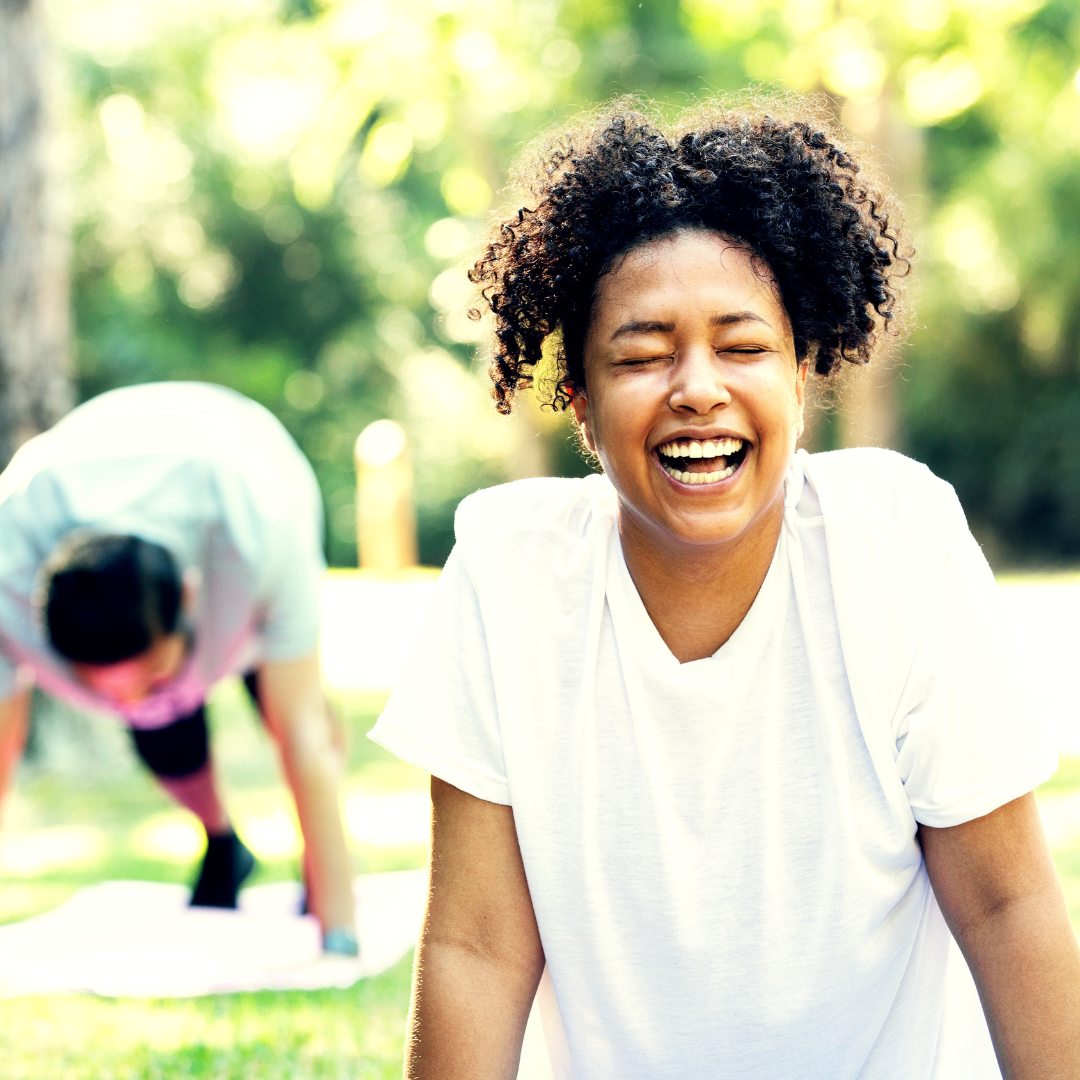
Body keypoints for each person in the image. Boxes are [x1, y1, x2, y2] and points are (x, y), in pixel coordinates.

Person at [368, 101, 1080, 1077]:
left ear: (801, 371)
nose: (696, 386)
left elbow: (1008, 908)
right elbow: (477, 951)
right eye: (642, 354)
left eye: (742, 347)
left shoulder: (893, 543)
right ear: (578, 395)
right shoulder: (509, 571)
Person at [0, 381, 357, 955]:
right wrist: (143, 692)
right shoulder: (6, 562)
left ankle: (315, 869)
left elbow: (303, 732)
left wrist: (338, 933)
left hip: (249, 464)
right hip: (118, 522)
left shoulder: (258, 526)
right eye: (109, 689)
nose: (135, 698)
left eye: (152, 678)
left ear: (191, 600)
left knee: (284, 710)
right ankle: (224, 844)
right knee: (162, 731)